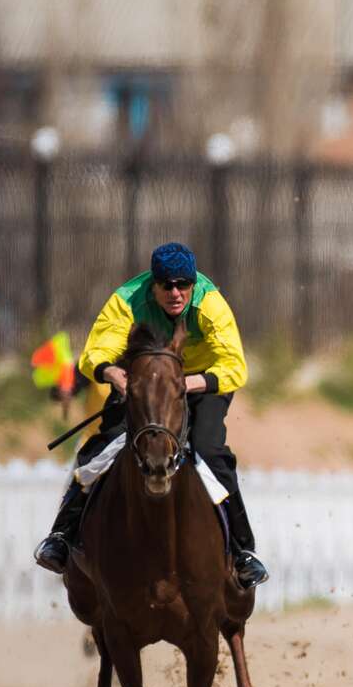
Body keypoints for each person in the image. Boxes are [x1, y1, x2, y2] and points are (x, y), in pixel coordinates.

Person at [33, 242, 266, 588]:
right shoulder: (127, 298)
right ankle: (62, 535)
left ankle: (243, 551)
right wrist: (112, 373)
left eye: (183, 284)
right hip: (143, 382)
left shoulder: (210, 303)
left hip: (199, 383)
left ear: (193, 283)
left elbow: (235, 367)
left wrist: (186, 383)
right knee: (103, 445)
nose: (175, 293)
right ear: (152, 284)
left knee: (209, 449)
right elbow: (96, 351)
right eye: (166, 285)